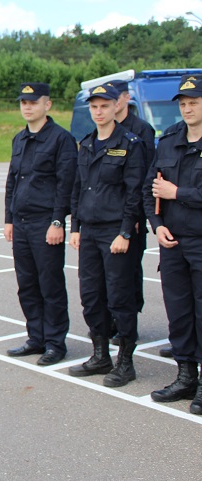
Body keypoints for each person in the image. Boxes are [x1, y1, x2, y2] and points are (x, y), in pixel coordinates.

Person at [67, 83, 145, 387]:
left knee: (120, 298)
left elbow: (134, 192)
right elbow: (78, 188)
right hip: (89, 232)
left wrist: (125, 231)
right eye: (94, 107)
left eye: (104, 106)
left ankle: (126, 362)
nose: (98, 112)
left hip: (115, 233)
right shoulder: (87, 143)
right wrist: (75, 228)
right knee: (91, 296)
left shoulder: (130, 143)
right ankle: (100, 355)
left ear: (117, 106)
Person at [4, 82, 77, 366]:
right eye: (23, 102)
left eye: (33, 102)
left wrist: (58, 221)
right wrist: (8, 219)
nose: (27, 107)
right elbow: (12, 180)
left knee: (50, 285)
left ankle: (55, 343)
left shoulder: (61, 139)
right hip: (21, 223)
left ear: (47, 104)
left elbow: (66, 184)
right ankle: (36, 337)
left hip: (45, 223)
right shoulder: (19, 139)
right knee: (27, 285)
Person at [144, 74, 202, 413]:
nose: (187, 108)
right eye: (183, 103)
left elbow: (168, 190)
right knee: (179, 313)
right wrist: (157, 225)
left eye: (194, 102)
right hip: (173, 243)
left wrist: (177, 193)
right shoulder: (168, 139)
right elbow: (150, 187)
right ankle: (185, 376)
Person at [108, 79, 163, 355]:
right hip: (107, 215)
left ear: (125, 99)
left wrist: (139, 216)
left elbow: (145, 176)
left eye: (114, 98)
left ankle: (127, 324)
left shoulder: (141, 130)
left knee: (128, 272)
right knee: (107, 276)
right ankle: (110, 321)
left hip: (131, 216)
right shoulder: (104, 130)